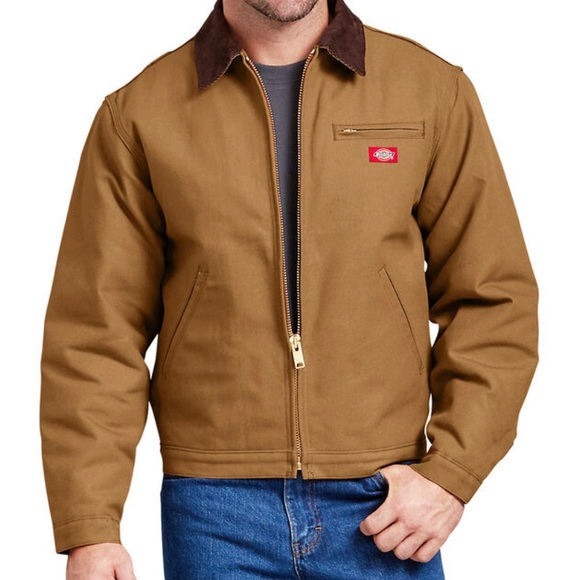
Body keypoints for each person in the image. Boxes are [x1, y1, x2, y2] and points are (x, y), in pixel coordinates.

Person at [40, 0, 539, 578]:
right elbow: (95, 334)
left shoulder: (429, 91)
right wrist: (90, 527)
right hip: (213, 510)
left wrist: (451, 473)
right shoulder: (139, 113)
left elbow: (493, 299)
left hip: (385, 503)